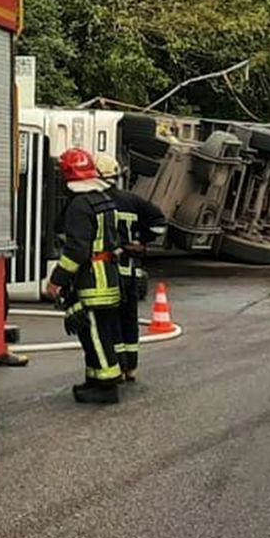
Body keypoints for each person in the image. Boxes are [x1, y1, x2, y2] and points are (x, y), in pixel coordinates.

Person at [45, 147, 124, 404]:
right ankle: (95, 378)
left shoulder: (79, 205)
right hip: (109, 276)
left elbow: (76, 251)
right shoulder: (104, 199)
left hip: (92, 281)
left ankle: (107, 387)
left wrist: (56, 281)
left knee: (94, 334)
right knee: (98, 331)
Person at [96, 152, 165, 382]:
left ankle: (116, 365)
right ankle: (131, 368)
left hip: (107, 273)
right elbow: (159, 222)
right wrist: (142, 242)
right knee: (129, 320)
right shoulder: (133, 201)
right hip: (131, 272)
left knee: (110, 322)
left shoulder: (94, 203)